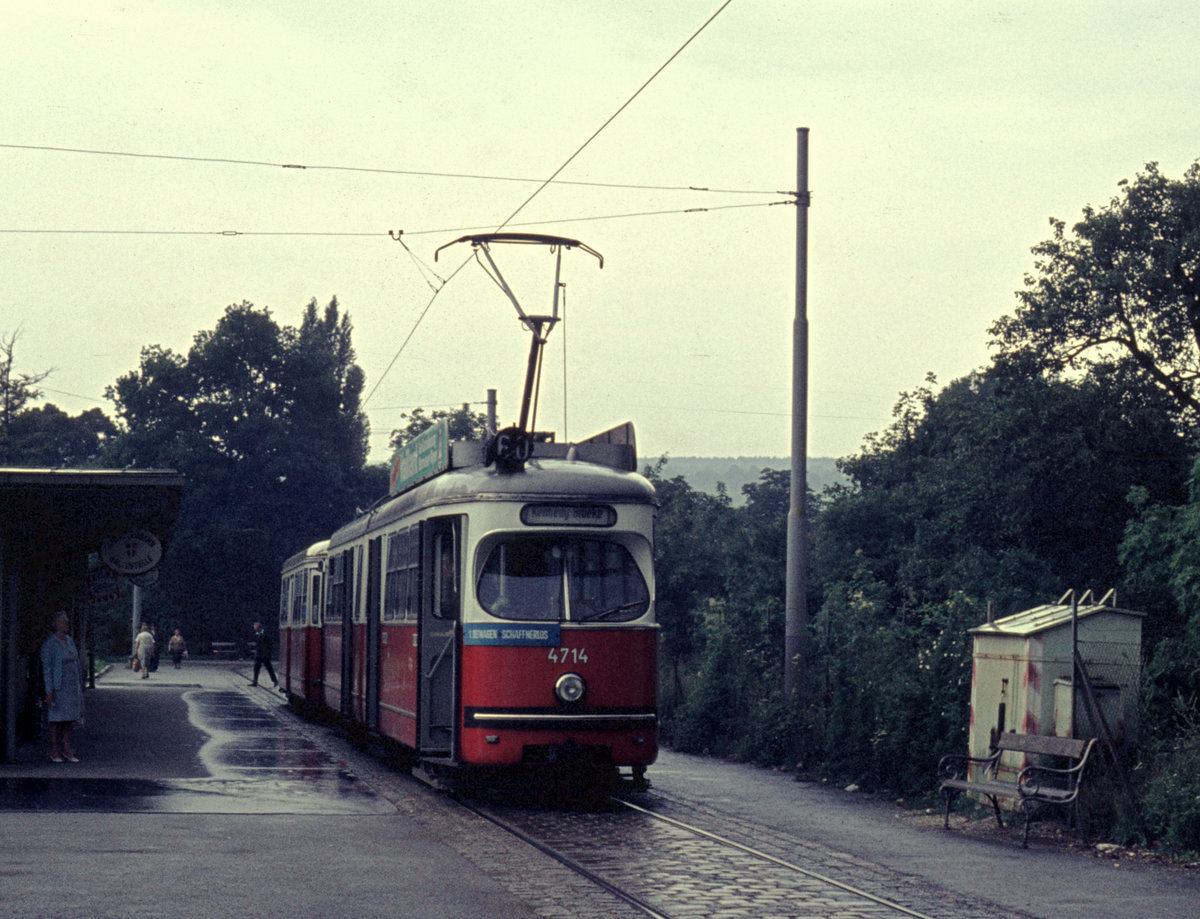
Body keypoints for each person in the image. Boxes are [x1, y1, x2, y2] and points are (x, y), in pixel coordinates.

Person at [40, 611, 84, 763]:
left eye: (67, 622)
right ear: (55, 624)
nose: (66, 624)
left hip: (72, 685)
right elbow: (47, 669)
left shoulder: (70, 641)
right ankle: (54, 750)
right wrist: (49, 691)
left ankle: (67, 749)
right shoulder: (50, 644)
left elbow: (76, 661)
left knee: (69, 718)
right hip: (58, 686)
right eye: (62, 622)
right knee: (56, 718)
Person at [250, 622, 277, 688]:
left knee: (269, 668)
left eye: (256, 628)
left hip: (265, 654)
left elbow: (270, 643)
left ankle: (275, 681)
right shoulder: (256, 634)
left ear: (259, 628)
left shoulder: (266, 634)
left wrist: (267, 652)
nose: (255, 630)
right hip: (259, 654)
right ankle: (255, 682)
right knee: (256, 668)